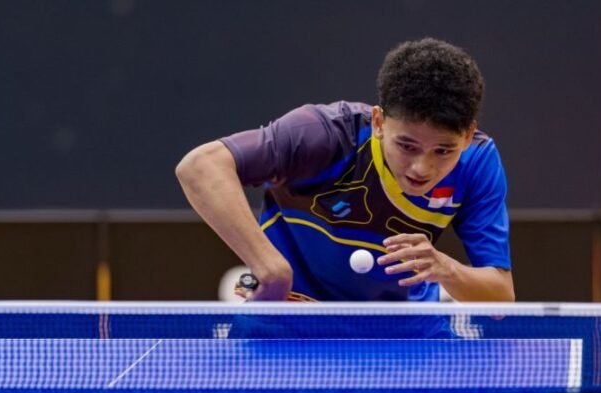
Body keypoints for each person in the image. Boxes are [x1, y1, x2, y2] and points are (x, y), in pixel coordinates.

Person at [176, 38, 514, 335]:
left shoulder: (478, 162)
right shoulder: (327, 135)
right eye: (407, 146)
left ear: (467, 135)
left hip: (406, 334)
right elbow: (200, 167)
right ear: (379, 122)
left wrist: (446, 268)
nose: (421, 168)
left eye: (443, 151)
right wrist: (271, 269)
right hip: (286, 323)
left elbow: (500, 299)